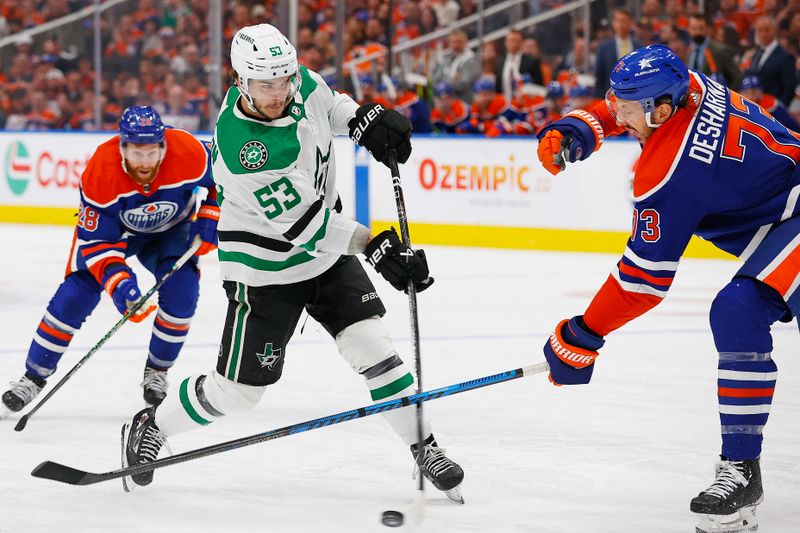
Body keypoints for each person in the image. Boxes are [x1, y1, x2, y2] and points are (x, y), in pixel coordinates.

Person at [121, 24, 464, 502]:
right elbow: (308, 229)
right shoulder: (245, 147)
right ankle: (152, 424)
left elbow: (329, 103)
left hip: (327, 259)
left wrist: (364, 119)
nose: (280, 91)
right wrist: (376, 247)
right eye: (266, 84)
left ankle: (423, 446)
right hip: (265, 271)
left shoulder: (293, 79)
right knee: (238, 394)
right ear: (240, 80)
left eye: (283, 80)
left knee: (373, 347)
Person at [536, 45, 799, 532]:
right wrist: (583, 126)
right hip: (787, 208)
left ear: (661, 109)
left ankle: (742, 471)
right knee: (739, 309)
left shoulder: (669, 172)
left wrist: (582, 336)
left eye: (627, 110)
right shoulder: (689, 86)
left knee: (738, 309)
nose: (618, 114)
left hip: (793, 215)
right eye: (615, 103)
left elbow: (641, 283)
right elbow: (623, 107)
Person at [0, 106, 218, 414]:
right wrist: (121, 287)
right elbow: (98, 246)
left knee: (182, 293)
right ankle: (32, 378)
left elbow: (225, 177)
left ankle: (157, 372)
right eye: (137, 152)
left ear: (163, 146)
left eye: (152, 152)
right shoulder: (100, 171)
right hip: (114, 236)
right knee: (74, 297)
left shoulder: (189, 151)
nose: (145, 162)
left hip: (171, 231)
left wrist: (211, 215)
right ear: (122, 147)